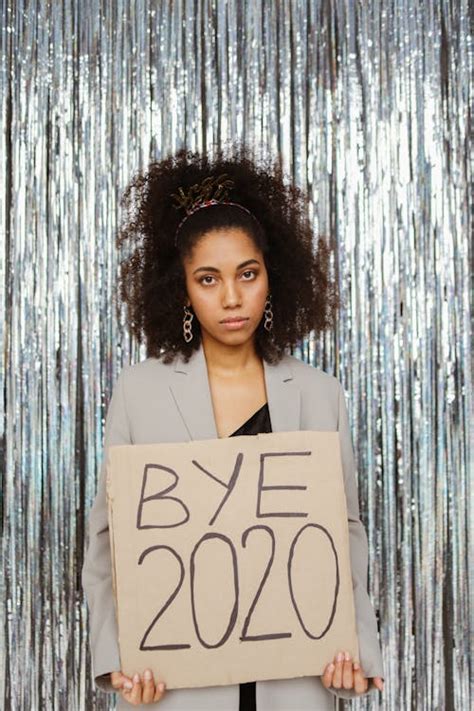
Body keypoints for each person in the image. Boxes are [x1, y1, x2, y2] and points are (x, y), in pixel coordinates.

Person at [82, 144, 385, 710]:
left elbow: (343, 535)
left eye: (247, 274)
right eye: (208, 279)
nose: (231, 298)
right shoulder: (139, 391)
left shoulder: (320, 394)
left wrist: (357, 654)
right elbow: (107, 545)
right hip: (177, 685)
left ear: (272, 275)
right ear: (183, 290)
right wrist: (120, 659)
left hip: (297, 681)